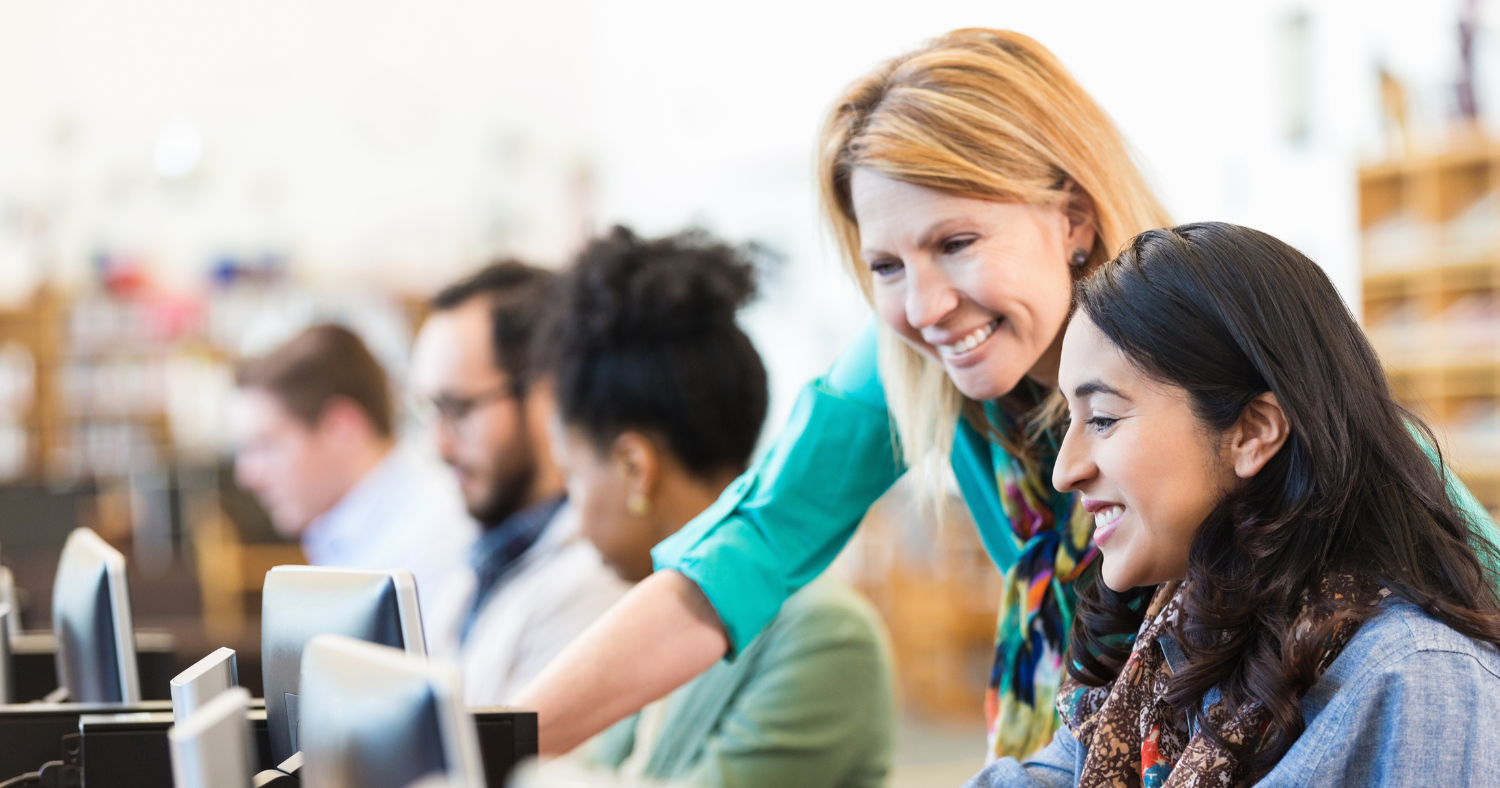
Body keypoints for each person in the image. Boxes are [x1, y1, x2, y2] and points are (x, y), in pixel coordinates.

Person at [514, 28, 1500, 760]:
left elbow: (1443, 577)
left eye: (956, 242)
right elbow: (742, 553)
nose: (923, 303)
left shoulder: (1225, 353)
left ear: (1071, 215)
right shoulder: (913, 366)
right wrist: (492, 741)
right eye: (885, 264)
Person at [968, 222, 1500, 787]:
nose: (1064, 471)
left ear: (1253, 431)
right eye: (1068, 422)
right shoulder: (1173, 632)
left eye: (1102, 418)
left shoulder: (1416, 678)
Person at [538, 227, 896, 787]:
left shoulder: (825, 631)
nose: (569, 525)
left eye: (573, 481)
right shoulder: (658, 625)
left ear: (636, 467)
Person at [410, 261, 628, 706]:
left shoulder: (593, 581)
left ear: (548, 395)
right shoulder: (485, 551)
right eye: (429, 410)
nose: (439, 445)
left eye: (458, 409)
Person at [232, 323, 477, 631]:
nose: (246, 476)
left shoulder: (430, 545)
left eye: (266, 446)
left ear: (341, 428)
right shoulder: (343, 533)